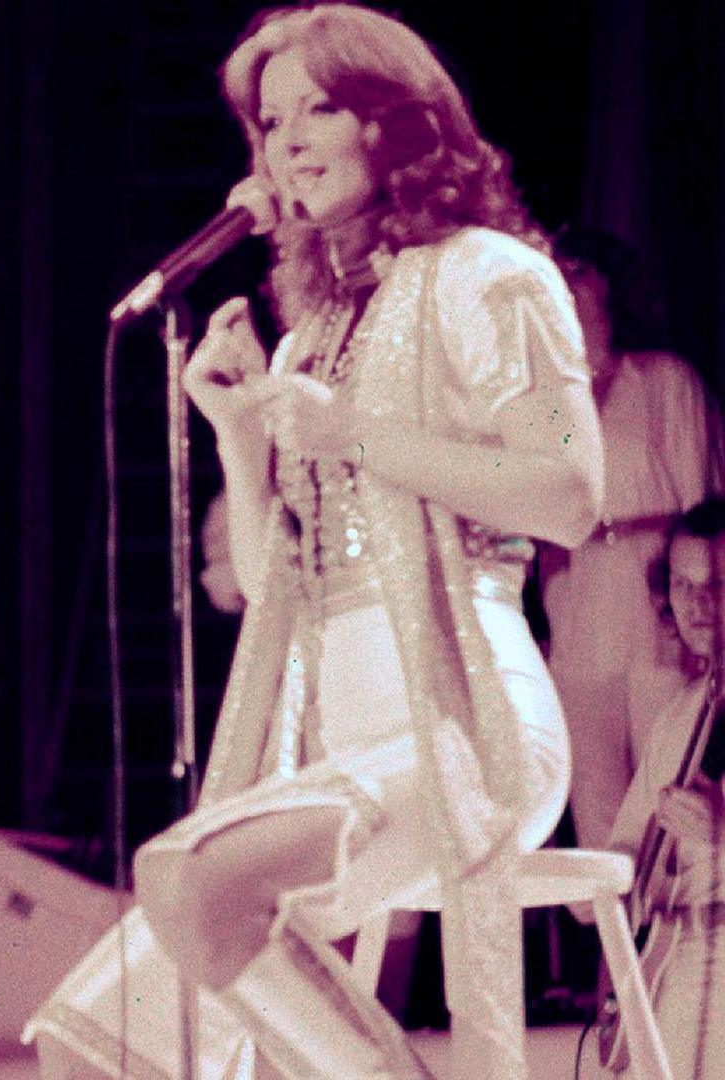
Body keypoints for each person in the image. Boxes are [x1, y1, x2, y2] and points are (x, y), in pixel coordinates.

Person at [45, 6, 603, 1078]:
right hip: (343, 754)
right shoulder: (310, 329)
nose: (287, 140)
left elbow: (571, 494)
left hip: (470, 731)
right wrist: (238, 439)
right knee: (93, 1042)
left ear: (394, 121)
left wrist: (358, 434)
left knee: (192, 880)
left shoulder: (488, 274)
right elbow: (270, 586)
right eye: (268, 119)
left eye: (320, 108)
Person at [540, 227, 725, 854]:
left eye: (575, 268)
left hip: (657, 627)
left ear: (608, 281)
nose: (561, 281)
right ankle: (610, 954)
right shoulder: (543, 405)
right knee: (601, 840)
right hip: (578, 635)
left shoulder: (664, 381)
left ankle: (672, 950)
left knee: (669, 819)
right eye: (550, 269)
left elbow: (704, 509)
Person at [605, 499, 725, 1079]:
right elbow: (628, 847)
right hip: (675, 960)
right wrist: (602, 875)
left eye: (719, 584)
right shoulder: (679, 714)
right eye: (683, 584)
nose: (699, 604)